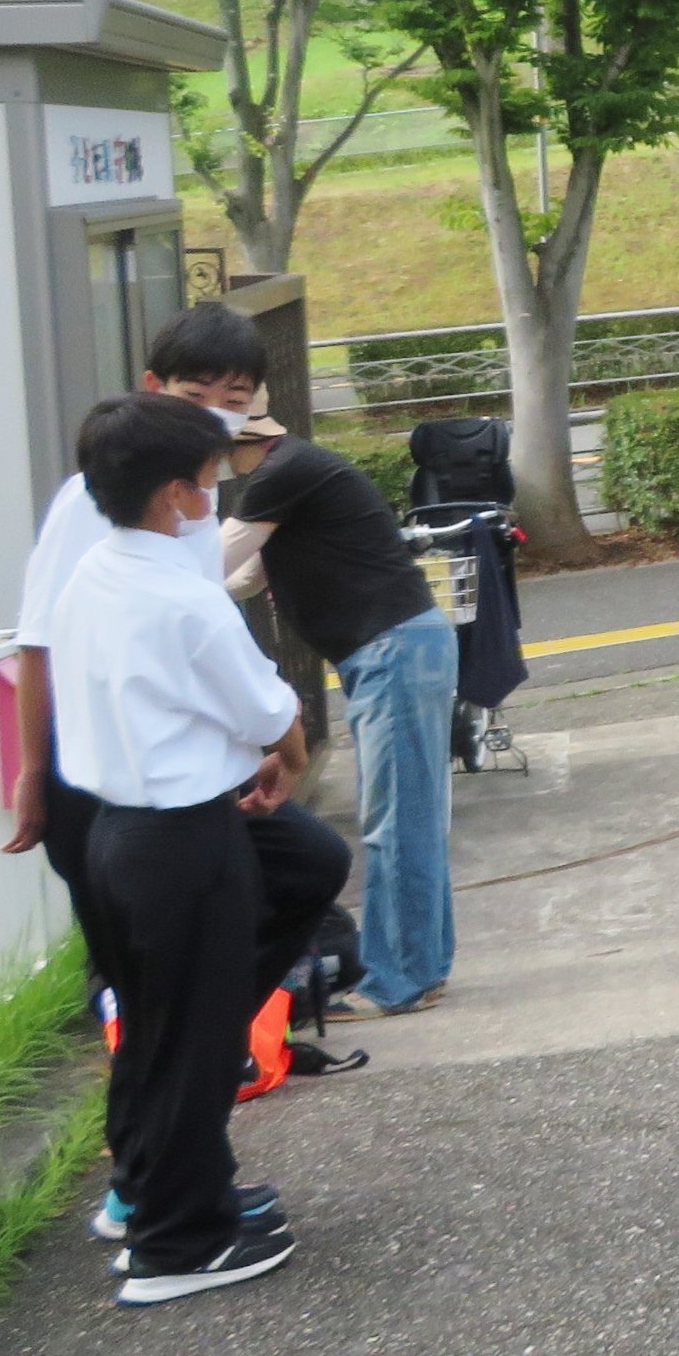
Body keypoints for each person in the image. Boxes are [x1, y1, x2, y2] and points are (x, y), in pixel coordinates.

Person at [51, 393, 347, 1304]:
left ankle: (159, 1195)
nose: (219, 491)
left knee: (167, 1024)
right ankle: (179, 1242)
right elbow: (265, 708)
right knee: (182, 1038)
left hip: (116, 828)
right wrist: (272, 736)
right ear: (178, 494)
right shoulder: (182, 598)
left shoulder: (94, 572)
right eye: (212, 476)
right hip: (181, 838)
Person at [9, 305, 270, 995]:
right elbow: (35, 643)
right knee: (130, 969)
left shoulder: (196, 500)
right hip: (94, 766)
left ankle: (210, 1052)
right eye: (195, 396)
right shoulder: (94, 500)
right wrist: (34, 770)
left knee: (289, 876)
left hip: (174, 774)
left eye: (234, 402)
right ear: (153, 386)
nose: (215, 416)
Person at [224, 397, 456, 1018]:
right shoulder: (297, 470)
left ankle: (395, 981)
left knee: (396, 823)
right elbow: (244, 577)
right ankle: (422, 970)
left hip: (392, 650)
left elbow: (211, 560)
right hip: (405, 647)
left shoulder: (280, 475)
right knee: (413, 817)